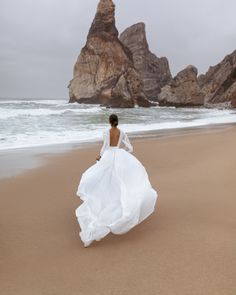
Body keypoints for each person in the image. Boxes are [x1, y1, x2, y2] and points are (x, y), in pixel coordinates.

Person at [75, 114, 158, 247]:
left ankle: (104, 202)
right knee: (120, 182)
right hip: (119, 156)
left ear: (110, 121)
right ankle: (118, 204)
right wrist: (122, 154)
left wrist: (100, 156)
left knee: (104, 180)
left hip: (108, 156)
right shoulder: (122, 132)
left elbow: (105, 146)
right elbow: (130, 148)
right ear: (117, 122)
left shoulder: (106, 132)